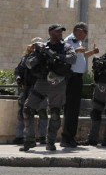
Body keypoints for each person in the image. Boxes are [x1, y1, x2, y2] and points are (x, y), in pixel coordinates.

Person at [20, 24, 77, 152]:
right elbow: (28, 64)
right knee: (27, 109)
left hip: (58, 82)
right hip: (42, 82)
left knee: (55, 113)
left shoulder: (66, 47)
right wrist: (40, 56)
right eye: (57, 32)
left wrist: (58, 56)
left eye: (61, 32)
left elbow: (73, 59)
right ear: (50, 32)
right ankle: (29, 140)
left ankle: (50, 142)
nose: (59, 34)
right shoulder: (41, 48)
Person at [60, 22, 99, 148]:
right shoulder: (68, 41)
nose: (86, 35)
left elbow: (81, 55)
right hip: (71, 78)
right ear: (78, 30)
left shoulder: (77, 42)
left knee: (74, 109)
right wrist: (76, 50)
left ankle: (70, 137)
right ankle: (66, 138)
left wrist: (92, 52)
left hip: (77, 78)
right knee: (70, 109)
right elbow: (65, 56)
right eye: (85, 32)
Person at [13, 38, 48, 145]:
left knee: (42, 112)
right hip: (27, 88)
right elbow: (18, 70)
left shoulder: (44, 59)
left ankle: (42, 136)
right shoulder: (25, 59)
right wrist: (19, 78)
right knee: (23, 112)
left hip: (40, 89)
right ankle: (21, 136)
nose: (35, 48)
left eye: (37, 46)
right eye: (34, 46)